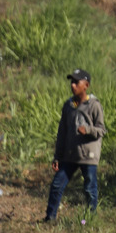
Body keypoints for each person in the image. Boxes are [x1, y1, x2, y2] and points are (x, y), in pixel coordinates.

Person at [44, 69, 106, 222]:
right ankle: (50, 217)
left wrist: (88, 130)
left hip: (88, 155)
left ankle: (90, 219)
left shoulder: (94, 105)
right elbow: (62, 132)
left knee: (90, 189)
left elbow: (101, 130)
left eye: (76, 82)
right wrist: (58, 156)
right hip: (70, 155)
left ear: (86, 85)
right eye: (72, 82)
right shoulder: (68, 105)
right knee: (57, 185)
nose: (73, 85)